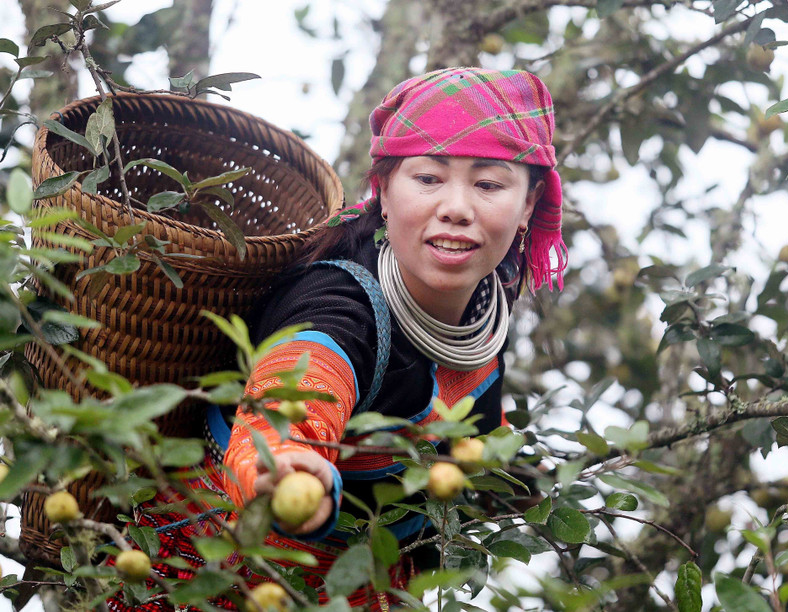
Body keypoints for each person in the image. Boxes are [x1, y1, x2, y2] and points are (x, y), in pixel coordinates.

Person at [105, 66, 567, 611]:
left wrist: (523, 481)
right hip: (211, 575)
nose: (457, 208)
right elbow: (299, 379)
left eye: (489, 184)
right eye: (428, 178)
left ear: (529, 206)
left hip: (364, 592)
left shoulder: (488, 309)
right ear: (385, 192)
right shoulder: (338, 294)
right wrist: (283, 458)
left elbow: (476, 440)